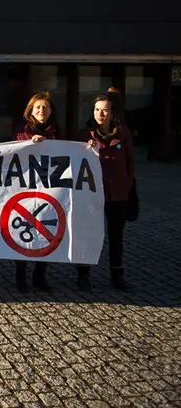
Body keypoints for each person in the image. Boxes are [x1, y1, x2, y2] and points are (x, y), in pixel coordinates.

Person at [77, 92, 135, 291]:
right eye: (97, 109)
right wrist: (86, 149)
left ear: (112, 113)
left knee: (116, 234)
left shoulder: (123, 133)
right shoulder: (85, 134)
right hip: (92, 192)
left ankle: (117, 274)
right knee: (88, 232)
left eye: (105, 110)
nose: (100, 113)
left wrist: (126, 186)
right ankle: (83, 274)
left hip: (117, 192)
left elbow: (130, 162)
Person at [11, 92, 59, 293]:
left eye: (45, 107)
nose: (41, 111)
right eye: (38, 107)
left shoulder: (56, 131)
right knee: (25, 231)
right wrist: (31, 143)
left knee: (47, 231)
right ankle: (20, 275)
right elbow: (16, 150)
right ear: (31, 110)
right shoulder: (22, 130)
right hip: (26, 188)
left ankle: (40, 274)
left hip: (49, 188)